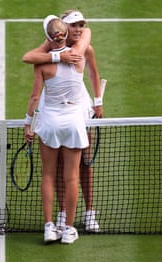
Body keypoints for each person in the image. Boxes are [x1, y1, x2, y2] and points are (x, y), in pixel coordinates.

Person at [22, 10, 102, 232]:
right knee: (57, 167)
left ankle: (89, 212)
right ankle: (63, 214)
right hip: (54, 111)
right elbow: (28, 57)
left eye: (80, 25)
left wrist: (98, 101)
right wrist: (59, 56)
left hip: (80, 110)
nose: (78, 29)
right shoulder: (50, 48)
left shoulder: (85, 48)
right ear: (64, 29)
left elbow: (94, 73)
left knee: (85, 163)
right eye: (73, 26)